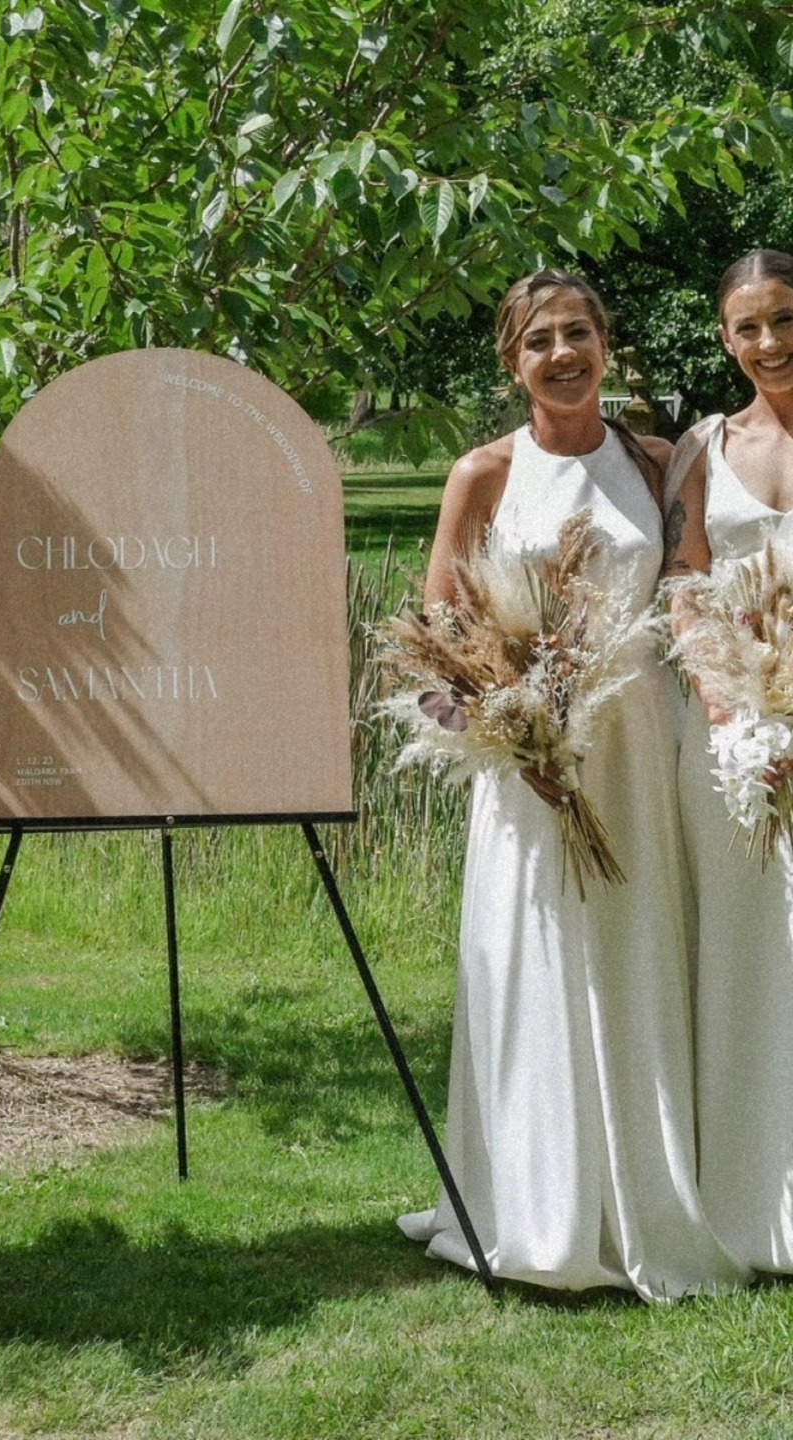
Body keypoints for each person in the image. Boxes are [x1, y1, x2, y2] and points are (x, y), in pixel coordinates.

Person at [399, 269, 747, 1299]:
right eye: (540, 339)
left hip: (639, 745)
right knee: (538, 963)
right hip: (528, 765)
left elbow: (690, 589)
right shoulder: (485, 474)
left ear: (606, 343)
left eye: (580, 332)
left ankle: (645, 1197)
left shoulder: (653, 459)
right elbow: (438, 633)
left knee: (638, 958)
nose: (564, 353)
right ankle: (537, 1208)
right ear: (513, 362)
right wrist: (509, 731)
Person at [663, 248, 793, 1275]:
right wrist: (729, 711)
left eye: (785, 319)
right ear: (724, 337)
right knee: (751, 962)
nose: (770, 342)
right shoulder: (703, 447)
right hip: (740, 740)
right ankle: (750, 1201)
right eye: (749, 327)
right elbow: (684, 583)